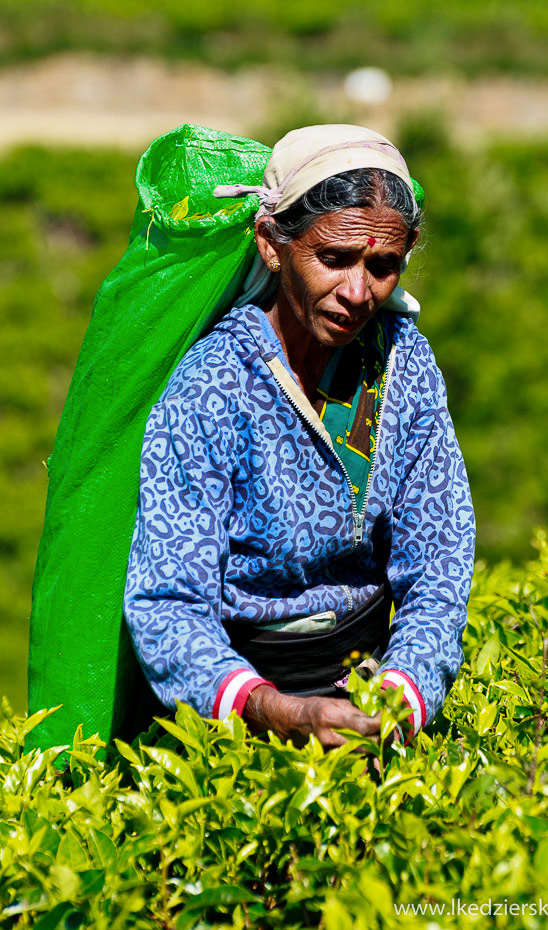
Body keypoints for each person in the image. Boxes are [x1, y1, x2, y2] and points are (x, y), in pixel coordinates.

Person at [124, 125, 475, 748]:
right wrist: (274, 710)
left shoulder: (405, 367)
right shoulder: (213, 387)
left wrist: (400, 697)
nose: (357, 292)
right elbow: (167, 602)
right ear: (271, 244)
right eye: (333, 259)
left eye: (383, 266)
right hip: (236, 709)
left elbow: (439, 564)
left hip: (371, 694)